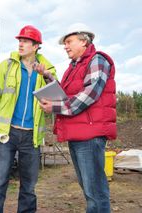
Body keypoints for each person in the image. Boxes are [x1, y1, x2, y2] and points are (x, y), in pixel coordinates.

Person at [38, 23, 116, 213]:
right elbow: (66, 94)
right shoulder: (74, 67)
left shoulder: (97, 60)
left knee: (95, 191)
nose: (65, 46)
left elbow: (89, 94)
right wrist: (48, 77)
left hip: (89, 135)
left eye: (69, 42)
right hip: (78, 133)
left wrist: (55, 107)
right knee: (89, 189)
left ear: (83, 40)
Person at [0, 25, 57, 213]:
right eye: (19, 41)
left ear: (36, 46)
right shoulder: (6, 66)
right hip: (7, 133)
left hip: (32, 137)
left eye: (25, 41)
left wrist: (47, 76)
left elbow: (57, 98)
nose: (20, 44)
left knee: (29, 188)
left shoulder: (47, 69)